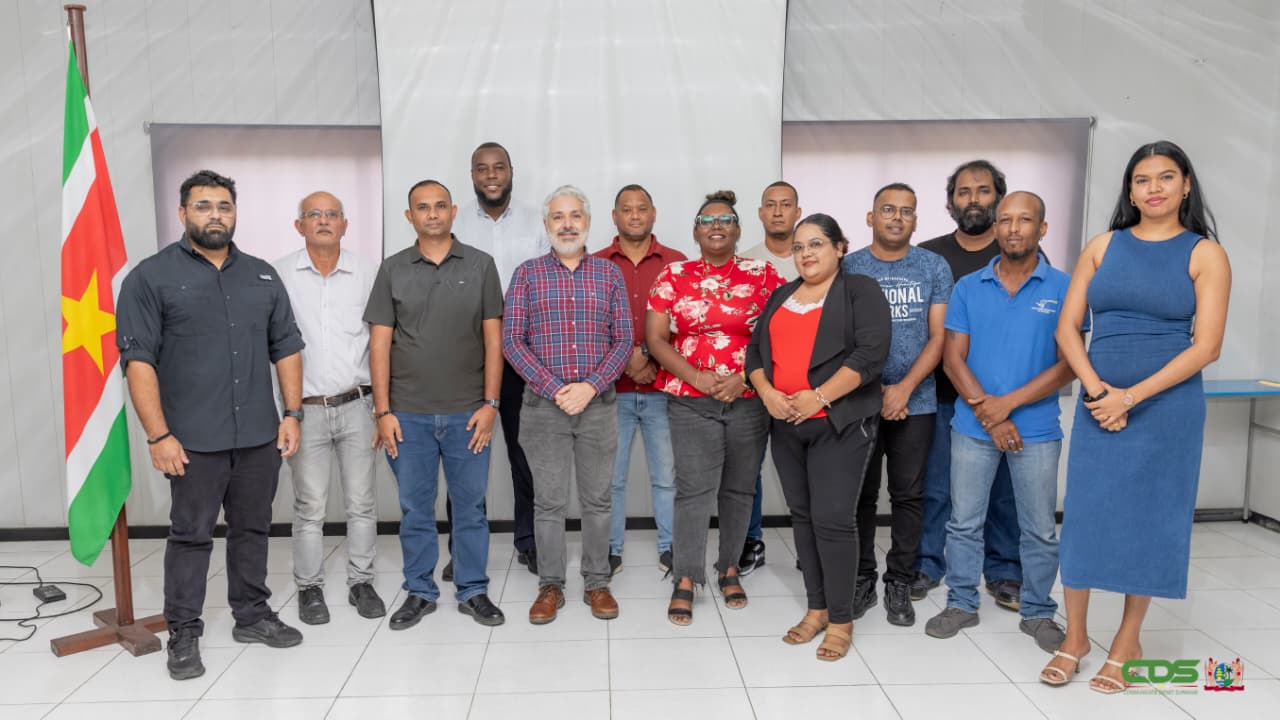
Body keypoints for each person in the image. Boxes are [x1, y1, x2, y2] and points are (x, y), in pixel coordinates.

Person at [1042, 141, 1230, 693]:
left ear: (1186, 185)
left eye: (1166, 177)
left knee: (1148, 522)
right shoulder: (1103, 246)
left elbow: (1208, 346)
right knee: (1085, 517)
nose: (1154, 188)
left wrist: (1132, 398)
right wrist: (1103, 394)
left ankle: (1127, 642)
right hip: (1102, 403)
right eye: (1142, 179)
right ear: (1130, 190)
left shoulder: (1204, 253)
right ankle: (1075, 638)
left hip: (1167, 408)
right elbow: (1066, 329)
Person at [116, 170, 306, 681]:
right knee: (190, 536)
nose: (215, 214)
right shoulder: (149, 278)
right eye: (203, 206)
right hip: (191, 441)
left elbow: (286, 347)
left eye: (223, 205)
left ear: (235, 213)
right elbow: (139, 363)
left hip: (259, 438)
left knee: (253, 530)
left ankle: (251, 615)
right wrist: (158, 436)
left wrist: (292, 414)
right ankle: (183, 631)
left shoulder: (263, 275)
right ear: (182, 214)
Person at [924, 191, 1077, 654]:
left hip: (1037, 430)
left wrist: (1005, 406)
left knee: (1038, 529)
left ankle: (1038, 612)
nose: (1012, 228)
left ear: (1042, 229)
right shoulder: (969, 287)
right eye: (1004, 220)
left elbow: (1070, 363)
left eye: (1024, 220)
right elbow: (953, 358)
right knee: (964, 522)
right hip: (973, 428)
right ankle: (962, 602)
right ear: (995, 230)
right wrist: (990, 416)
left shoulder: (1065, 287)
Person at [746, 213, 891, 661]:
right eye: (799, 247)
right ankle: (817, 608)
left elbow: (872, 353)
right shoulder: (782, 295)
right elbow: (755, 352)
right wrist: (767, 392)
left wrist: (821, 397)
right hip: (786, 424)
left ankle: (842, 620)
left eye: (816, 244)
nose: (806, 254)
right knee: (803, 518)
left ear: (839, 248)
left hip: (840, 423)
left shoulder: (860, 291)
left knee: (833, 519)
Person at [365, 180, 505, 630]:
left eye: (440, 206)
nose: (432, 214)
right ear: (409, 216)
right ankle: (420, 592)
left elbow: (493, 340)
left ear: (453, 211)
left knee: (470, 507)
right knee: (416, 509)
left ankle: (473, 591)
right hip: (408, 415)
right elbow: (380, 344)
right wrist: (383, 412)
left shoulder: (481, 266)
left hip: (470, 413)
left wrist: (491, 404)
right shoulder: (392, 269)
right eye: (421, 207)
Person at [646, 190, 785, 625]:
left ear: (739, 229)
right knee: (693, 490)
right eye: (707, 220)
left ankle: (729, 567)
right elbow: (655, 340)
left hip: (748, 397)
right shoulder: (673, 275)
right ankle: (686, 576)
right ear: (695, 231)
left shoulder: (764, 274)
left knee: (740, 487)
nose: (716, 226)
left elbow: (778, 336)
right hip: (691, 399)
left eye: (725, 219)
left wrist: (744, 378)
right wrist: (698, 377)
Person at [503, 185, 633, 625]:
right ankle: (551, 586)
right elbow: (512, 341)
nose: (567, 224)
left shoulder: (609, 275)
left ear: (588, 222)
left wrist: (590, 386)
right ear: (546, 225)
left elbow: (623, 342)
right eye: (557, 216)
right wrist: (556, 387)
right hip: (543, 407)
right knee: (549, 503)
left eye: (575, 215)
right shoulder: (526, 275)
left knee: (598, 500)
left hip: (597, 405)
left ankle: (597, 583)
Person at [915, 160, 1024, 610]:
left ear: (999, 200)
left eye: (982, 191)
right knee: (937, 487)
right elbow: (925, 332)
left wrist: (1003, 401)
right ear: (949, 203)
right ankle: (927, 563)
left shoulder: (1021, 253)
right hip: (942, 395)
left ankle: (1003, 573)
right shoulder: (929, 255)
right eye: (964, 192)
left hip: (1008, 398)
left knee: (1004, 492)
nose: (973, 199)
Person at [842, 183, 952, 627]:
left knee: (908, 496)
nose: (897, 217)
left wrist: (904, 388)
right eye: (888, 209)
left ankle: (899, 581)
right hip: (860, 401)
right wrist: (876, 391)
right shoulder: (849, 267)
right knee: (862, 496)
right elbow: (842, 337)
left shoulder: (933, 266)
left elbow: (939, 336)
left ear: (916, 220)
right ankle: (863, 577)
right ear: (870, 218)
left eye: (907, 211)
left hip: (917, 400)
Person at [273, 191, 384, 626]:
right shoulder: (278, 275)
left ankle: (361, 581)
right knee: (310, 506)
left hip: (358, 405)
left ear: (345, 224)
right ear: (299, 226)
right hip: (305, 411)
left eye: (332, 214)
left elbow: (380, 343)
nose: (323, 221)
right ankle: (310, 588)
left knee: (362, 502)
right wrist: (287, 412)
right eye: (313, 215)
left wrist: (381, 406)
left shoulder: (368, 274)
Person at [451, 141, 549, 579]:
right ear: (472, 175)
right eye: (481, 168)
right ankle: (463, 551)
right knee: (464, 457)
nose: (491, 175)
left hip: (524, 357)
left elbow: (549, 284)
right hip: (466, 355)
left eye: (499, 167)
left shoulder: (536, 221)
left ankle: (529, 542)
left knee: (524, 453)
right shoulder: (454, 224)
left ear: (512, 171)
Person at [593, 184, 687, 575]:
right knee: (609, 481)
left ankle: (670, 548)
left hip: (663, 389)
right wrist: (626, 361)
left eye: (641, 208)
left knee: (666, 478)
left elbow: (687, 323)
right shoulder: (595, 263)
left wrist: (647, 357)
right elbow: (589, 327)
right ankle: (611, 549)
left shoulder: (677, 262)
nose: (634, 215)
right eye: (626, 209)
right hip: (610, 394)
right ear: (614, 216)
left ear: (653, 214)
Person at [736, 180, 803, 573]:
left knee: (805, 469)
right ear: (760, 214)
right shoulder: (744, 263)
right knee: (749, 469)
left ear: (798, 212)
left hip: (807, 385)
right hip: (758, 384)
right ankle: (752, 540)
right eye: (770, 205)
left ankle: (809, 544)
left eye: (786, 205)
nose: (778, 212)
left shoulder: (813, 257)